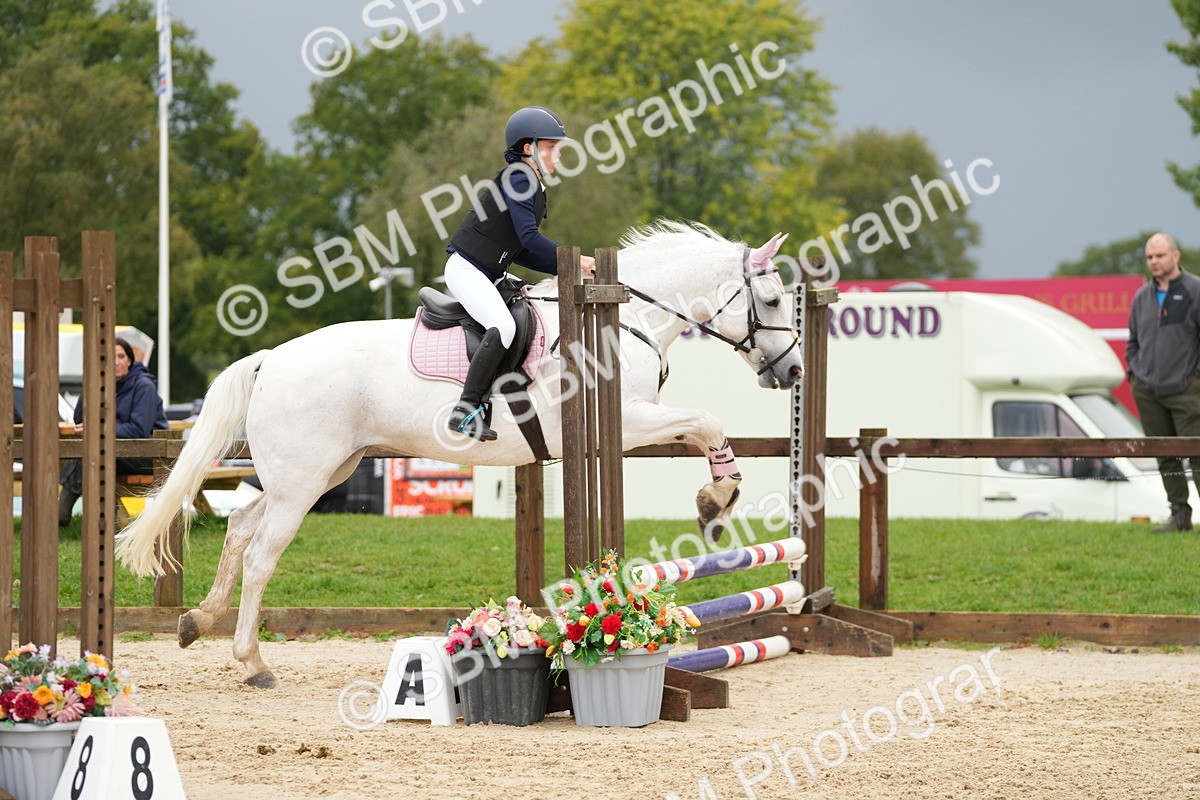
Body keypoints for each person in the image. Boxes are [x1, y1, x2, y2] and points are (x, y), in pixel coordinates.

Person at [443, 105, 596, 442]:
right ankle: (465, 408)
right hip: (468, 269)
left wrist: (568, 269)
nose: (557, 155)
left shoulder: (532, 183)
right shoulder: (518, 177)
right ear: (529, 148)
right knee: (504, 326)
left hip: (488, 273)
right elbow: (529, 238)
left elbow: (522, 250)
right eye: (551, 147)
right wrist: (575, 261)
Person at [1126, 232, 1200, 532]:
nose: (1154, 262)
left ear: (1176, 256)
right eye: (1149, 257)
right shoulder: (1141, 297)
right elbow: (1133, 342)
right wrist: (1136, 374)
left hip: (1186, 390)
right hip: (1148, 391)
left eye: (1160, 256)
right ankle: (1179, 515)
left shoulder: (1195, 290)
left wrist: (1195, 377)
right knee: (1164, 455)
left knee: (1197, 454)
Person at [57, 337, 169, 526]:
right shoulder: (105, 385)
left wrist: (100, 429)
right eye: (110, 357)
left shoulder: (143, 386)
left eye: (121, 356)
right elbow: (80, 419)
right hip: (117, 453)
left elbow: (138, 430)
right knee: (95, 452)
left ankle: (63, 513)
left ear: (129, 360)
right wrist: (91, 385)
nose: (116, 362)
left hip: (149, 455)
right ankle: (105, 523)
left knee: (99, 452)